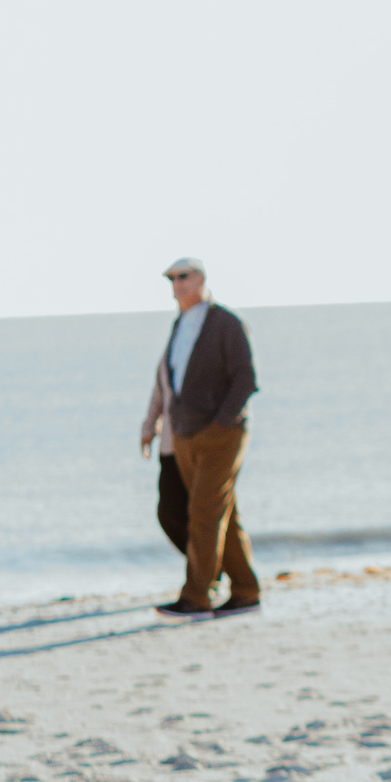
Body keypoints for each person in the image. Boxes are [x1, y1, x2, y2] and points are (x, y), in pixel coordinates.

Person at [151, 258, 262, 619]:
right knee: (221, 513)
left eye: (184, 276)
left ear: (201, 279)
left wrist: (220, 423)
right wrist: (156, 422)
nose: (177, 283)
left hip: (220, 435)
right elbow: (169, 382)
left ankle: (196, 597)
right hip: (185, 436)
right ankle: (245, 591)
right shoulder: (179, 324)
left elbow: (245, 378)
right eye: (172, 278)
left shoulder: (226, 323)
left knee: (201, 514)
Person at [139, 346, 189, 558]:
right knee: (168, 514)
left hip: (196, 443)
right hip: (169, 446)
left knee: (204, 514)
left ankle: (208, 572)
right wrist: (149, 426)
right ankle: (206, 567)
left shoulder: (207, 337)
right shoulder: (175, 342)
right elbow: (160, 389)